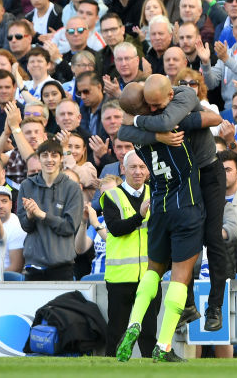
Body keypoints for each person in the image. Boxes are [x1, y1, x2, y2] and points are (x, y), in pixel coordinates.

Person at [113, 80, 222, 364]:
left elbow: (125, 128)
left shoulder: (137, 137)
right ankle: (162, 345)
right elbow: (214, 118)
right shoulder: (173, 125)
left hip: (158, 207)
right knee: (180, 276)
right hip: (186, 206)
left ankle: (133, 324)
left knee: (152, 272)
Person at [102, 149, 159, 358]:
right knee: (116, 331)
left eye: (142, 167)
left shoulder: (156, 193)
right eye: (133, 167)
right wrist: (140, 216)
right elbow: (116, 228)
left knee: (149, 333)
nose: (138, 171)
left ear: (149, 171)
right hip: (120, 278)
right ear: (122, 169)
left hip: (149, 275)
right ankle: (110, 368)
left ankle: (151, 372)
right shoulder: (111, 195)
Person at [17, 139, 83, 281]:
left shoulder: (72, 188)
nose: (49, 160)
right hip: (33, 266)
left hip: (62, 266)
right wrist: (29, 216)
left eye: (54, 155)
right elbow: (25, 226)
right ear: (38, 158)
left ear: (61, 158)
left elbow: (70, 227)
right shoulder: (26, 185)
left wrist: (42, 215)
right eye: (45, 155)